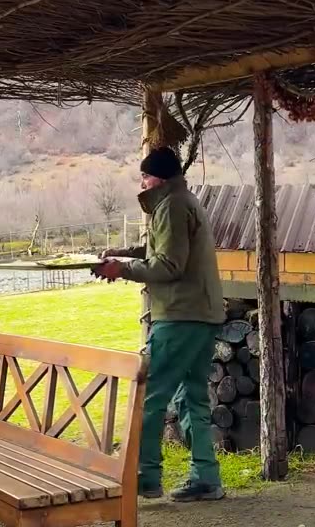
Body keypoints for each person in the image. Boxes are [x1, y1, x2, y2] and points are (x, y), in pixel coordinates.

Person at [94, 146, 226, 502]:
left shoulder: (171, 206)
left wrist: (121, 270)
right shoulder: (183, 201)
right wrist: (121, 255)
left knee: (149, 397)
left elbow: (168, 266)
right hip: (202, 315)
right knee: (193, 399)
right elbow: (160, 251)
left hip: (180, 316)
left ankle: (145, 477)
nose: (142, 182)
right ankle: (206, 478)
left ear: (160, 178)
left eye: (145, 176)